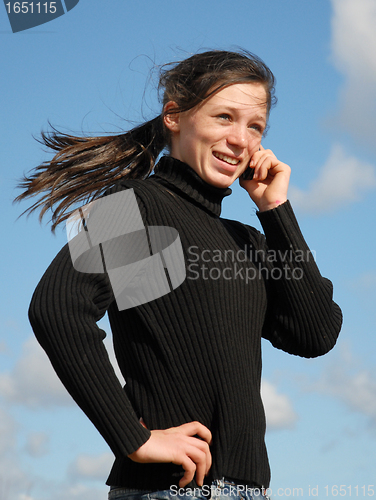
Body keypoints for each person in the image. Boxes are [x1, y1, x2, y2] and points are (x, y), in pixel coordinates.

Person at [16, 49, 342, 500]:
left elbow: (315, 333)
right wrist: (133, 437)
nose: (240, 139)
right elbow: (59, 310)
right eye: (224, 117)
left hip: (250, 491)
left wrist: (275, 210)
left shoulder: (245, 239)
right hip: (171, 490)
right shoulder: (139, 205)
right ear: (174, 115)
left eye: (255, 127)